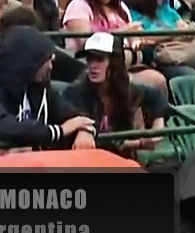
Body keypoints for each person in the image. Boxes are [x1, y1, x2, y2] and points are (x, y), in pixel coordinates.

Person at [0, 24, 95, 154]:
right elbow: (3, 126)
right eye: (45, 61)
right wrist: (58, 131)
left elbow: (72, 113)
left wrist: (84, 130)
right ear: (28, 62)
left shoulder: (39, 87)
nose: (50, 67)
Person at [64, 32, 169, 160]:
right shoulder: (75, 93)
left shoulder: (127, 89)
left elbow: (156, 98)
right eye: (90, 59)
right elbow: (97, 141)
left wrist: (158, 127)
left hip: (121, 161)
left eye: (99, 59)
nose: (92, 66)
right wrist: (140, 143)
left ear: (115, 63)